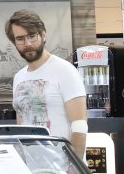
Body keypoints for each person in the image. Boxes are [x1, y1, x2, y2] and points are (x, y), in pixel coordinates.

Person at [6, 9, 88, 159]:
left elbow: (79, 125)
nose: (27, 43)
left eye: (32, 36)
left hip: (62, 167)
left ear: (43, 34)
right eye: (20, 39)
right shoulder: (19, 77)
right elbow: (21, 122)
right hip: (31, 166)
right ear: (14, 42)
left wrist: (74, 167)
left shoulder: (65, 70)